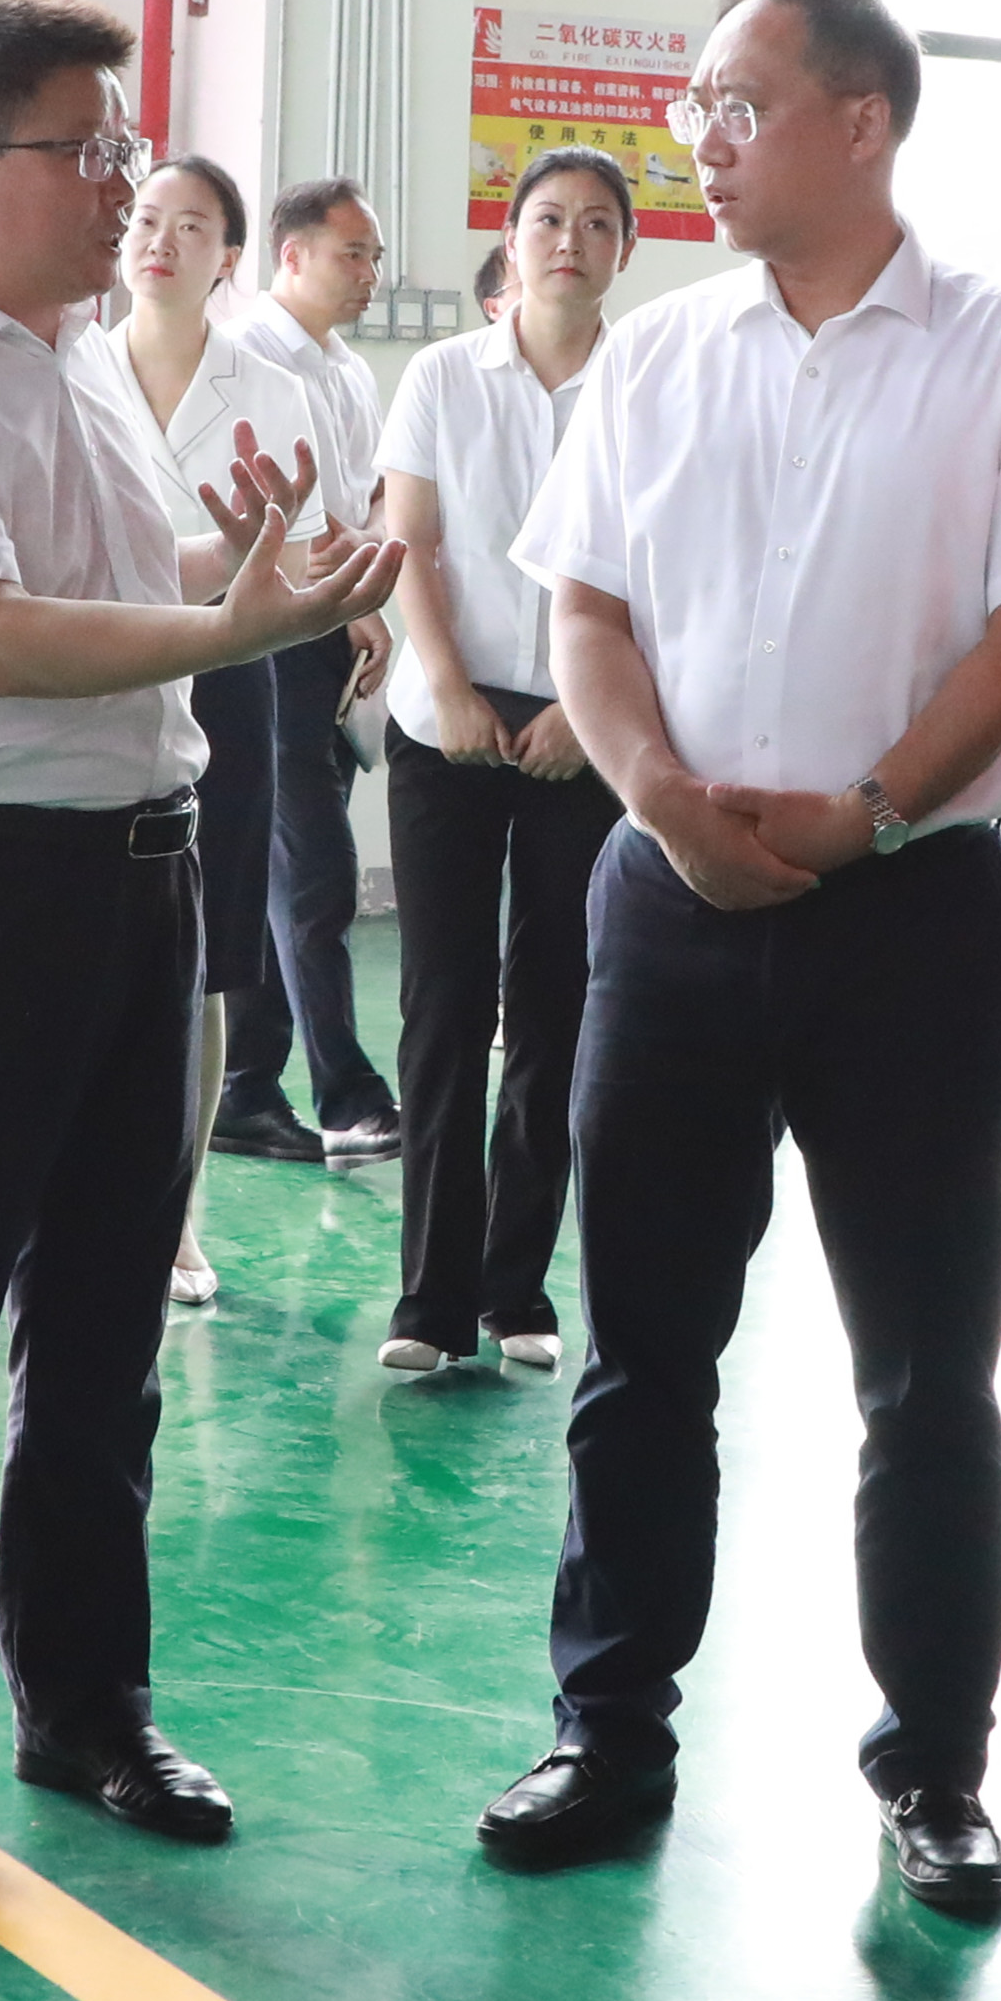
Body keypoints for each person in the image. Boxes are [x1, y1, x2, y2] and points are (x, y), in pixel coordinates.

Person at [471, 0, 1001, 1920]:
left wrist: (870, 811)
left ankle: (935, 1766)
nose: (701, 135)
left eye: (738, 102)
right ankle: (609, 1726)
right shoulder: (659, 357)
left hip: (906, 920)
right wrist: (664, 800)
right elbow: (585, 611)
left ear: (861, 122)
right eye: (694, 101)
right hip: (668, 910)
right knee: (640, 1353)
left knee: (926, 1372)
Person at [0, 0, 404, 1914]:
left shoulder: (77, 363)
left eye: (129, 146)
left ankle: (86, 1706)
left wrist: (250, 584)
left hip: (142, 887)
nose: (128, 184)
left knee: (107, 1331)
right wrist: (227, 635)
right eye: (95, 149)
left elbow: (125, 601)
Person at [370, 146, 638, 1377]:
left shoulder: (645, 387)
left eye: (596, 223)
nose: (568, 240)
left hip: (584, 733)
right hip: (449, 725)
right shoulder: (440, 374)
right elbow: (411, 541)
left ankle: (515, 1285)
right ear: (513, 241)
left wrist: (588, 713)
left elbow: (662, 564)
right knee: (443, 1007)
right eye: (547, 219)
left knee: (555, 1008)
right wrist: (448, 686)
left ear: (624, 248)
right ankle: (429, 1298)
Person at [108, 156, 293, 1300]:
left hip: (225, 668)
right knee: (96, 940)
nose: (159, 241)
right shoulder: (70, 367)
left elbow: (301, 551)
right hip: (93, 663)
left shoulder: (266, 384)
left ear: (228, 256)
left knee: (208, 954)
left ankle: (179, 1215)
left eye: (191, 226)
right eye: (144, 217)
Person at [213, 179, 401, 1156]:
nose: (369, 273)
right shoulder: (244, 355)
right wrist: (354, 598)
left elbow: (365, 503)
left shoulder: (348, 371)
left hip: (331, 628)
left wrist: (366, 604)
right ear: (291, 256)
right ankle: (344, 1091)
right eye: (351, 253)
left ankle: (246, 1086)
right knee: (314, 867)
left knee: (286, 869)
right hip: (270, 633)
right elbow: (269, 516)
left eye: (374, 255)